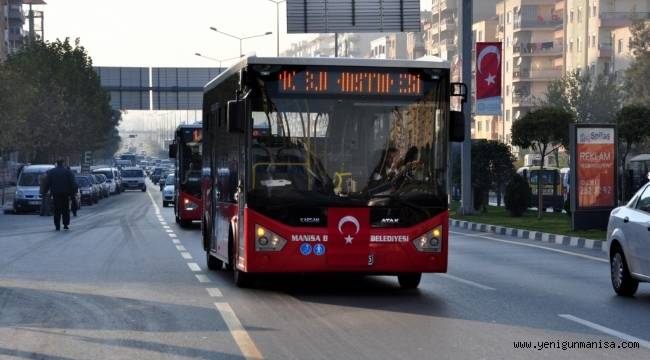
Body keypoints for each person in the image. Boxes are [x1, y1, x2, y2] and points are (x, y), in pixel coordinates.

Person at [46, 159, 76, 231]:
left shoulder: (51, 172)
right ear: (63, 163)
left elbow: (48, 183)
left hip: (55, 194)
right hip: (65, 194)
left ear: (57, 163)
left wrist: (46, 192)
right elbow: (72, 183)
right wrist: (72, 194)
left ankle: (57, 225)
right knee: (65, 210)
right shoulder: (68, 172)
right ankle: (65, 224)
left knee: (57, 210)